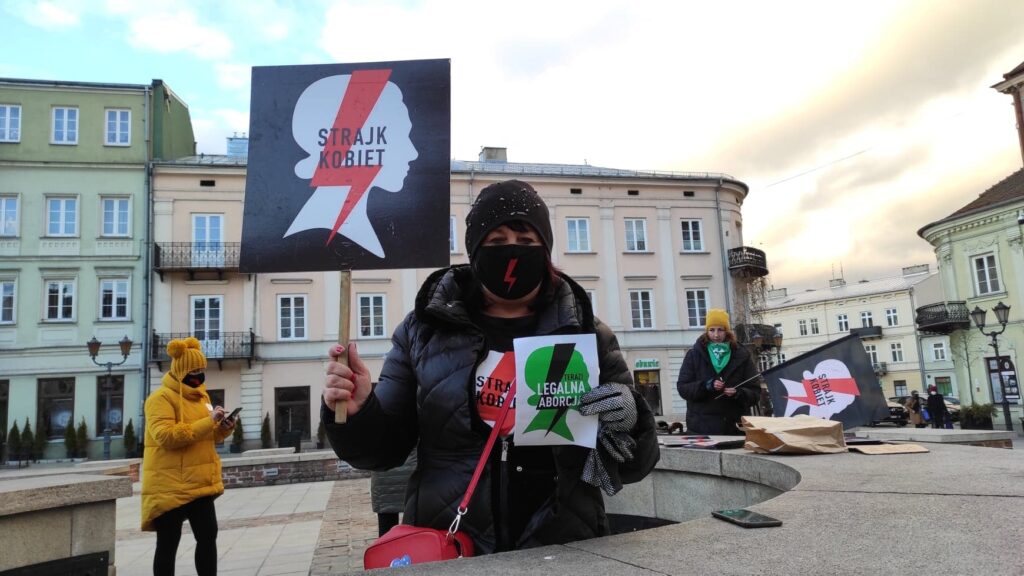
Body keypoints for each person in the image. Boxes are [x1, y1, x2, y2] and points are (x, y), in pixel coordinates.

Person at [322, 179, 660, 554]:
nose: (512, 252)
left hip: (564, 546)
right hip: (453, 545)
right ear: (474, 250)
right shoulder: (423, 331)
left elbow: (632, 465)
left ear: (545, 251)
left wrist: (630, 419)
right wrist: (359, 412)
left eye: (526, 241)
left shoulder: (586, 333)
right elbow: (382, 451)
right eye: (497, 241)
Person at [141, 337, 236, 576]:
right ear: (181, 370)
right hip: (169, 485)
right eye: (193, 371)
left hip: (199, 483)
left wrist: (223, 428)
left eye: (201, 370)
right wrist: (208, 421)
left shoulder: (202, 398)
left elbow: (208, 436)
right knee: (168, 543)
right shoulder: (160, 398)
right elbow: (165, 436)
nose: (198, 375)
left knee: (208, 537)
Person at [676, 309, 759, 435]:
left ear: (727, 331)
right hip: (701, 429)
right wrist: (706, 385)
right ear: (707, 331)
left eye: (720, 330)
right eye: (712, 330)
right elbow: (683, 388)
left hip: (734, 429)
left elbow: (755, 392)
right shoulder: (694, 355)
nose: (716, 335)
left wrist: (738, 393)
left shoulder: (742, 355)